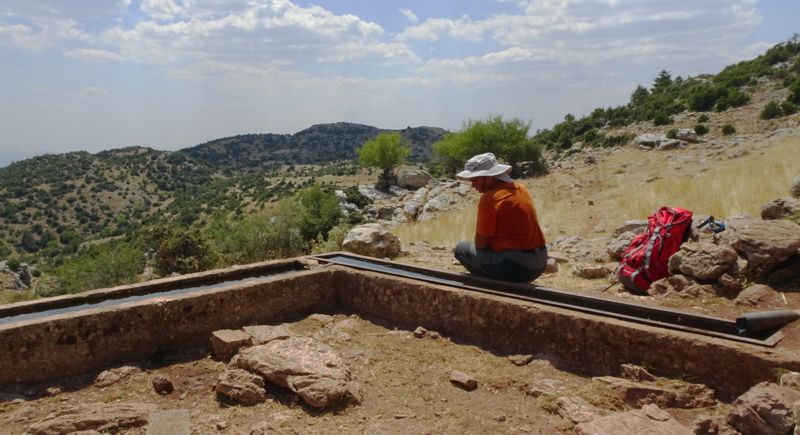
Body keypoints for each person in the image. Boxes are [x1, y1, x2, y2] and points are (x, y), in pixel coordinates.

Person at [454, 152, 548, 282]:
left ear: (489, 177)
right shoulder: (521, 188)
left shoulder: (490, 198)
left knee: (461, 249)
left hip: (515, 266)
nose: (472, 184)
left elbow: (481, 244)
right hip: (541, 262)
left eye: (475, 179)